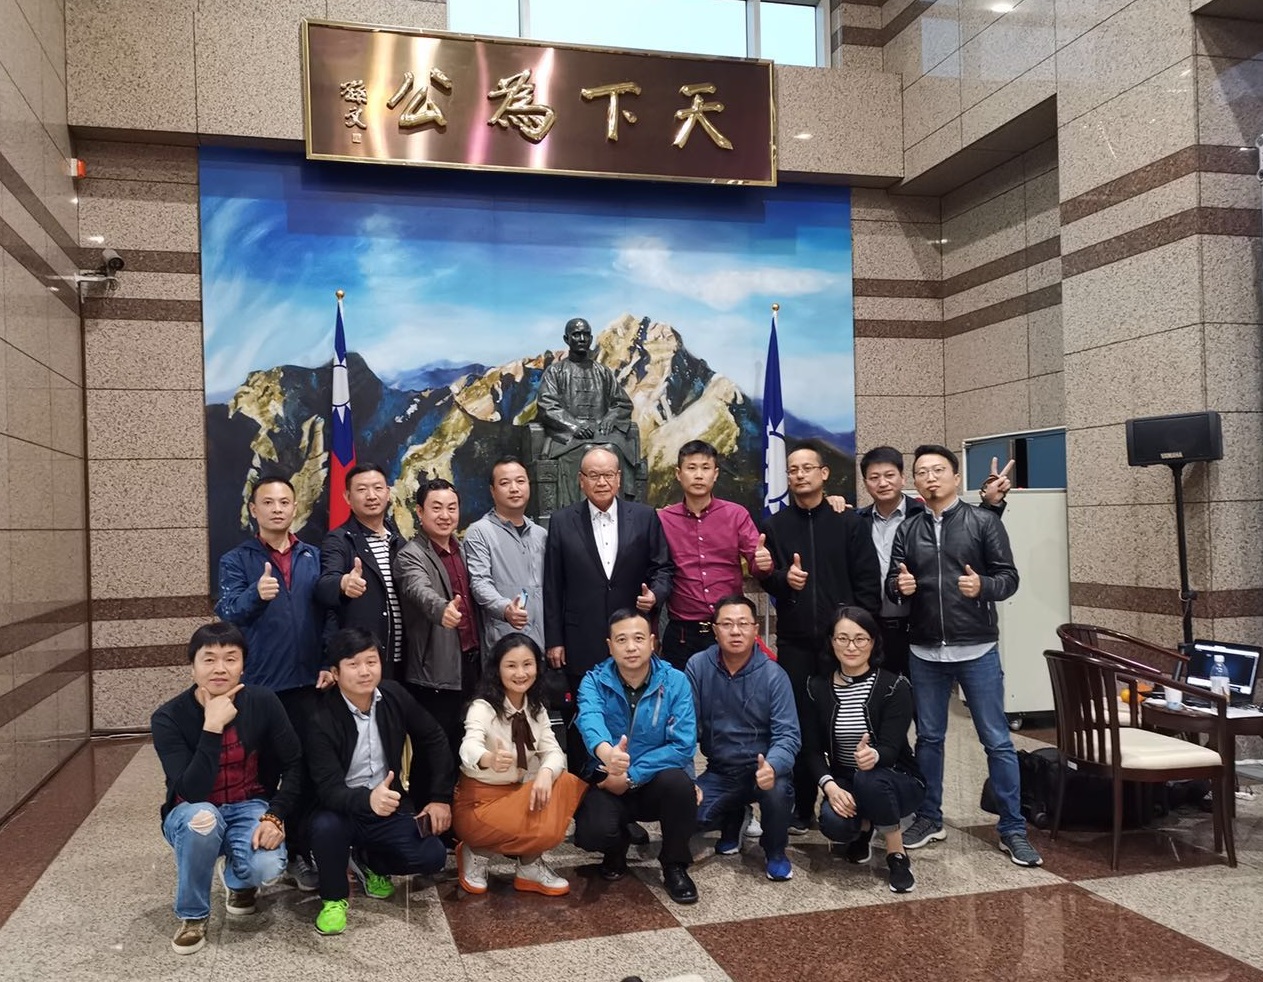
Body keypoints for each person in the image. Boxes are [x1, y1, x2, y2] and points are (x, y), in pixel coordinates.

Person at [888, 444, 1041, 867]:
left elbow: (1008, 578)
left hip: (977, 648)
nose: (930, 477)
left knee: (997, 740)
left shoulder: (982, 521)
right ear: (915, 482)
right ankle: (929, 817)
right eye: (922, 472)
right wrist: (898, 588)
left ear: (956, 478)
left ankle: (1012, 828)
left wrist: (983, 587)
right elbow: (893, 582)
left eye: (939, 470)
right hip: (924, 650)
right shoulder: (908, 529)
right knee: (929, 739)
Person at [151, 622, 302, 955]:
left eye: (230, 658)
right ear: (192, 667)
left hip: (248, 803)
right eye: (209, 659)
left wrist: (275, 815)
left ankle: (238, 879)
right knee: (203, 819)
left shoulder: (263, 702)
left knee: (267, 866)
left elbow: (295, 764)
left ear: (243, 666)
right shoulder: (168, 718)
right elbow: (192, 792)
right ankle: (193, 916)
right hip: (190, 810)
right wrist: (212, 726)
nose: (220, 668)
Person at [760, 439, 881, 832]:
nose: (800, 475)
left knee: (847, 720)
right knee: (798, 723)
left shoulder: (849, 523)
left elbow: (867, 583)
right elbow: (769, 580)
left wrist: (857, 635)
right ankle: (802, 805)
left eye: (807, 468)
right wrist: (784, 579)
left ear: (824, 474)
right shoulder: (776, 526)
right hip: (795, 642)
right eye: (793, 470)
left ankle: (854, 797)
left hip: (843, 646)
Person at [215, 473, 327, 891]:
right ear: (253, 509)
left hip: (308, 685)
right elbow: (227, 611)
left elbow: (328, 615)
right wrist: (255, 595)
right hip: (261, 687)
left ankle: (298, 850)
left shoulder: (312, 556)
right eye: (268, 502)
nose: (277, 509)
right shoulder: (236, 559)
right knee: (263, 771)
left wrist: (329, 661)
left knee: (307, 770)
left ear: (295, 507)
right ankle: (249, 854)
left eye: (284, 502)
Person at [305, 627, 455, 936]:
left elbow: (434, 737)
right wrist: (367, 799)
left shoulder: (393, 695)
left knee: (433, 855)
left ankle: (368, 861)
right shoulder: (320, 716)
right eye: (353, 664)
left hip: (387, 806)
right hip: (341, 808)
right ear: (335, 672)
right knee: (325, 827)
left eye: (371, 661)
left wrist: (440, 797)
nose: (364, 671)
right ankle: (333, 899)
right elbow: (328, 789)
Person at [573, 610, 700, 904]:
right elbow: (590, 719)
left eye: (639, 638)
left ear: (652, 642)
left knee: (680, 785)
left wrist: (631, 775)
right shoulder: (593, 681)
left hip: (654, 780)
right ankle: (617, 846)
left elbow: (682, 745)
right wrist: (607, 754)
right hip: (607, 778)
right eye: (622, 640)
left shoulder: (675, 681)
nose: (631, 647)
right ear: (610, 646)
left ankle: (675, 865)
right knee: (591, 833)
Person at [856, 448, 1010, 679]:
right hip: (874, 625)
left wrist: (991, 504)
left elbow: (964, 532)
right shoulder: (856, 521)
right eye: (874, 477)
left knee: (920, 696)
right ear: (865, 483)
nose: (883, 483)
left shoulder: (923, 512)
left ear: (903, 478)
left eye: (889, 475)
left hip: (918, 626)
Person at [452, 633, 587, 896]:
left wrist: (545, 773)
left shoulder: (536, 708)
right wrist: (488, 758)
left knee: (561, 781)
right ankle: (475, 852)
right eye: (511, 665)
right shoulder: (483, 707)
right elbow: (468, 746)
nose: (521, 673)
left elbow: (554, 752)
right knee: (538, 817)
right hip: (479, 802)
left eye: (527, 664)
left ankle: (529, 866)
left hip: (515, 792)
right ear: (497, 669)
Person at [803, 606, 924, 893]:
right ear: (831, 642)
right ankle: (865, 827)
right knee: (833, 823)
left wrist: (875, 755)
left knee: (870, 777)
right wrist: (830, 787)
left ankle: (896, 854)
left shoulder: (894, 686)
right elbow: (811, 750)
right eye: (842, 638)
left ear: (873, 642)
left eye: (860, 639)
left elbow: (892, 749)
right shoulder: (816, 688)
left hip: (897, 778)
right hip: (846, 778)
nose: (851, 647)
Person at [686, 594, 800, 882]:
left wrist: (773, 765)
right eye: (727, 624)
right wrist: (686, 779)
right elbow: (686, 728)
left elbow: (788, 734)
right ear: (715, 630)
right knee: (688, 813)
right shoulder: (698, 667)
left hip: (764, 770)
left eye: (743, 624)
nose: (735, 631)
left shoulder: (774, 675)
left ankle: (775, 851)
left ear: (755, 629)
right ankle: (735, 816)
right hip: (720, 770)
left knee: (777, 792)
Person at [542, 447, 674, 695]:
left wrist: (655, 595)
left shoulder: (644, 517)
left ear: (619, 478)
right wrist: (554, 640)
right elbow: (553, 585)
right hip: (581, 638)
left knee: (633, 708)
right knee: (585, 710)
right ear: (581, 480)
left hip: (631, 636)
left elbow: (663, 568)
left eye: (608, 475)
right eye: (593, 475)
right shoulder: (561, 521)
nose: (602, 482)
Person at [657, 440, 772, 671]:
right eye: (691, 468)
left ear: (715, 474)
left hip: (729, 629)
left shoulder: (736, 514)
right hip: (683, 634)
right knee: (681, 692)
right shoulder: (663, 520)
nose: (699, 475)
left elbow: (758, 564)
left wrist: (763, 564)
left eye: (705, 468)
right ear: (679, 474)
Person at [393, 478, 481, 758]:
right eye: (437, 508)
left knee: (472, 748)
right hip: (434, 673)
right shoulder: (410, 556)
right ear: (420, 512)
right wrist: (442, 609)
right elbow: (419, 590)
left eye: (452, 508)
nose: (445, 515)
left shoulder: (464, 550)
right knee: (437, 754)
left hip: (473, 665)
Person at [536, 317, 642, 507]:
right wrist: (574, 426)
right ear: (567, 339)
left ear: (591, 338)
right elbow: (547, 406)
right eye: (576, 335)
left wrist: (611, 416)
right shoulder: (555, 372)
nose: (582, 339)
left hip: (602, 434)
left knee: (611, 450)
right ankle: (580, 513)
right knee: (588, 452)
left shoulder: (603, 372)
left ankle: (618, 511)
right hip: (568, 438)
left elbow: (623, 403)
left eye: (586, 335)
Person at [316, 463, 407, 677]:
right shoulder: (339, 540)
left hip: (403, 660)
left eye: (378, 488)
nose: (371, 496)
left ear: (388, 492)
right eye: (362, 489)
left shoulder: (400, 541)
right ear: (347, 497)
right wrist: (343, 584)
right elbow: (324, 585)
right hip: (363, 661)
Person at [463, 456, 548, 655]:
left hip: (542, 644)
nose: (514, 488)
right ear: (492, 491)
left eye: (520, 481)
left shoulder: (540, 534)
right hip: (503, 643)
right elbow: (479, 583)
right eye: (504, 483)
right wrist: (505, 608)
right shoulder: (479, 532)